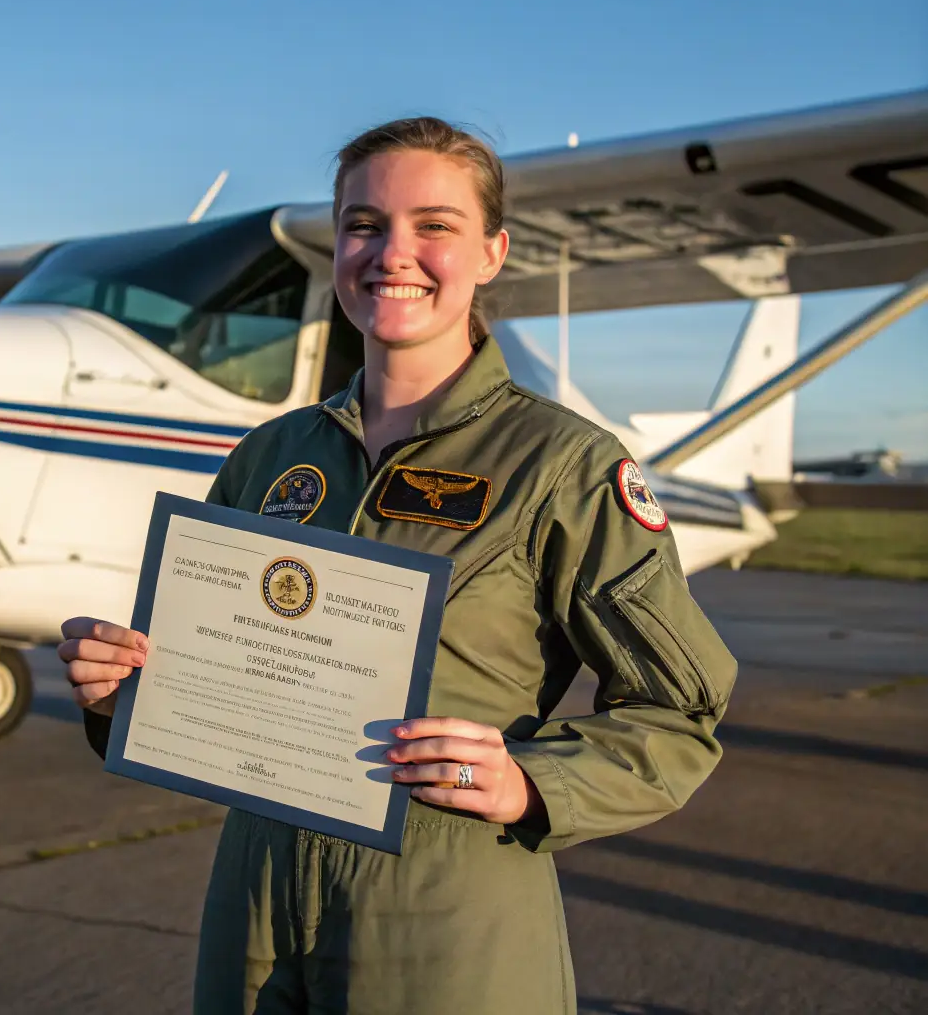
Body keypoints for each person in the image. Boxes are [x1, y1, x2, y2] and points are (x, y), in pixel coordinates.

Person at [58, 116, 738, 1014]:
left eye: (434, 226)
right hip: (254, 891)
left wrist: (532, 780)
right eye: (363, 224)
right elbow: (209, 677)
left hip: (442, 896)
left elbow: (679, 713)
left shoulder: (563, 464)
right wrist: (120, 696)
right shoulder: (269, 455)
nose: (391, 253)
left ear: (491, 253)